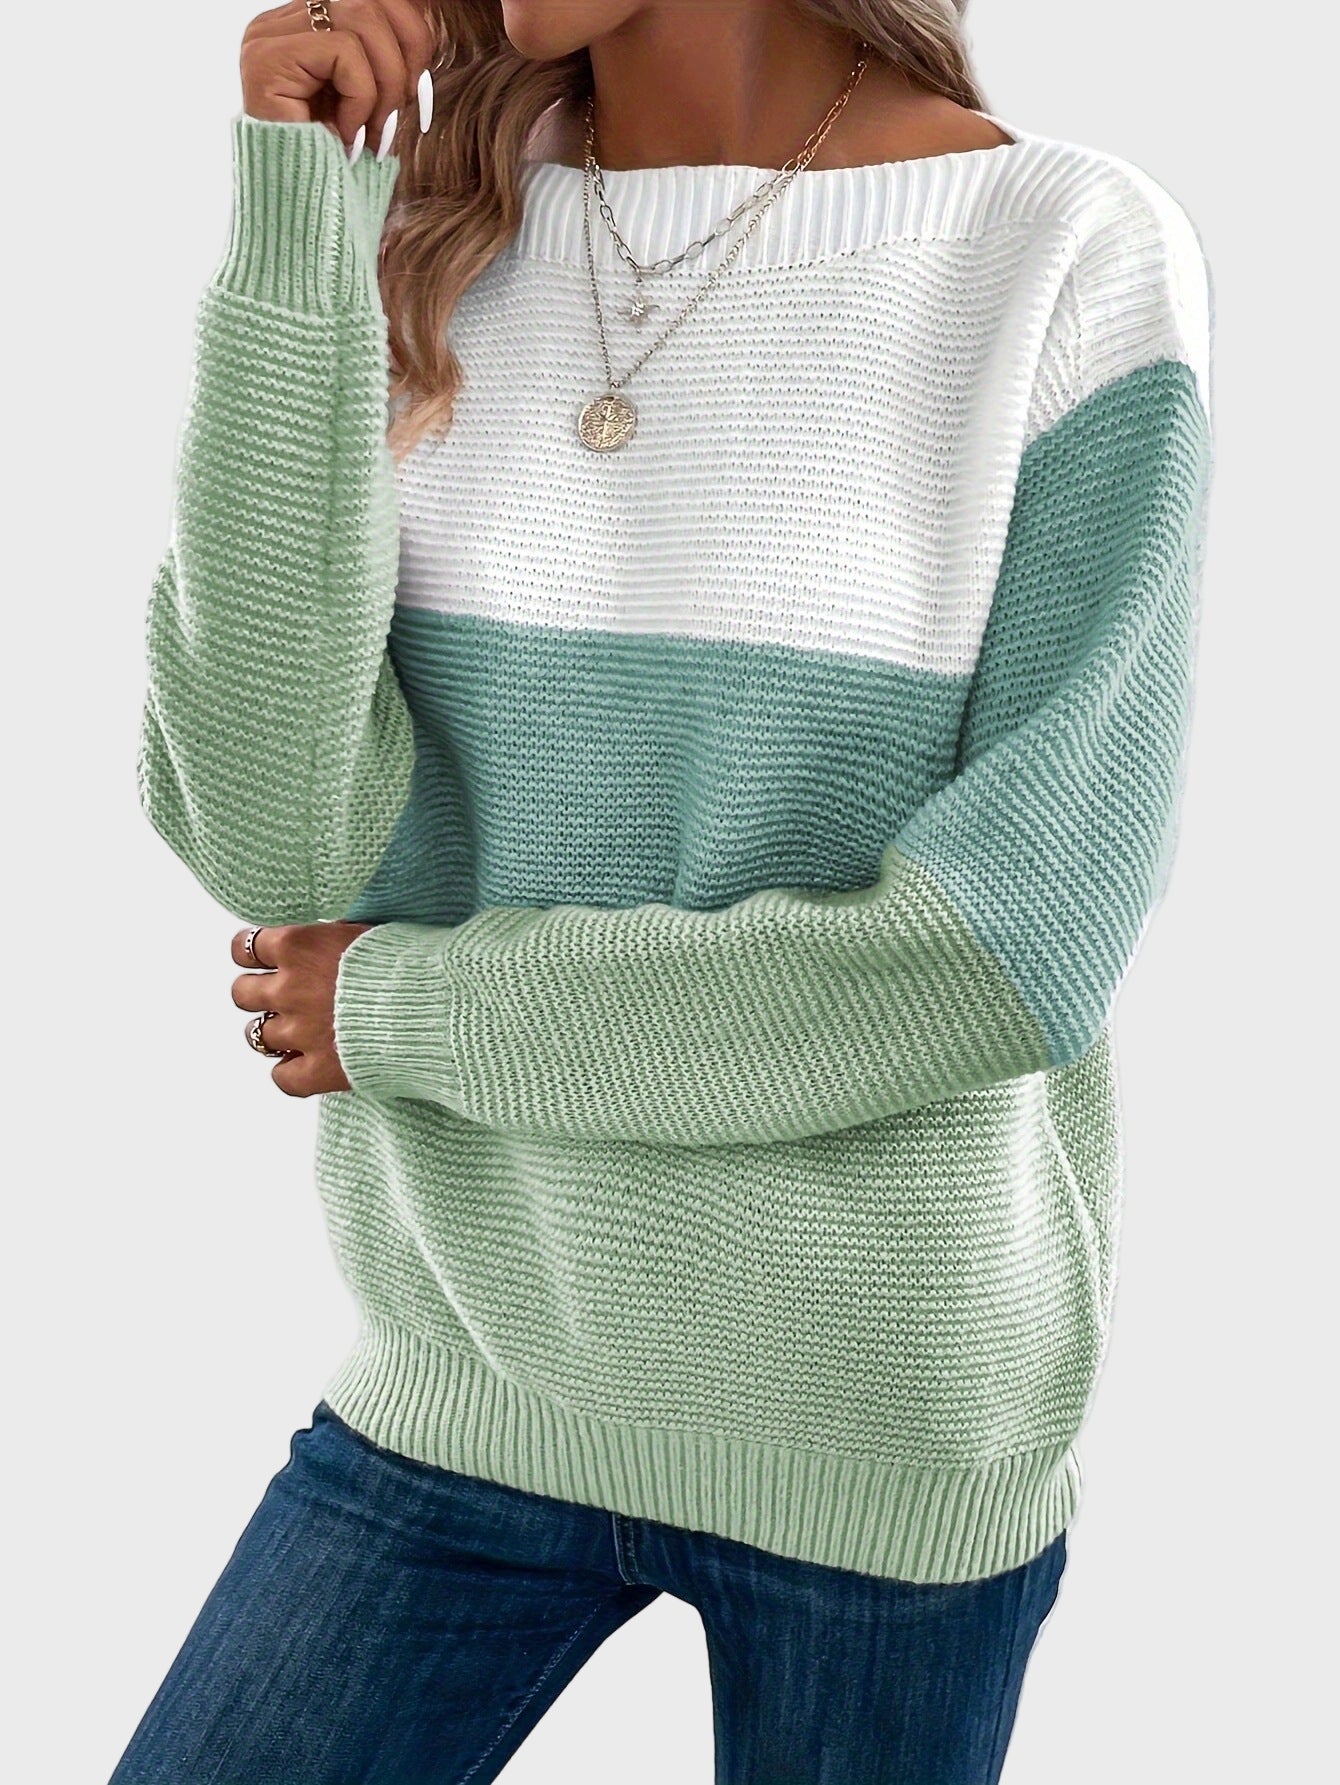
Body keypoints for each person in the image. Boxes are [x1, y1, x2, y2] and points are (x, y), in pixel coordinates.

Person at [114, 1, 1215, 1780]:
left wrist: (413, 1008)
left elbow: (1008, 952)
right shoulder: (424, 234)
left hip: (880, 1435)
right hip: (464, 1370)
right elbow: (268, 832)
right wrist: (298, 218)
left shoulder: (1064, 255)